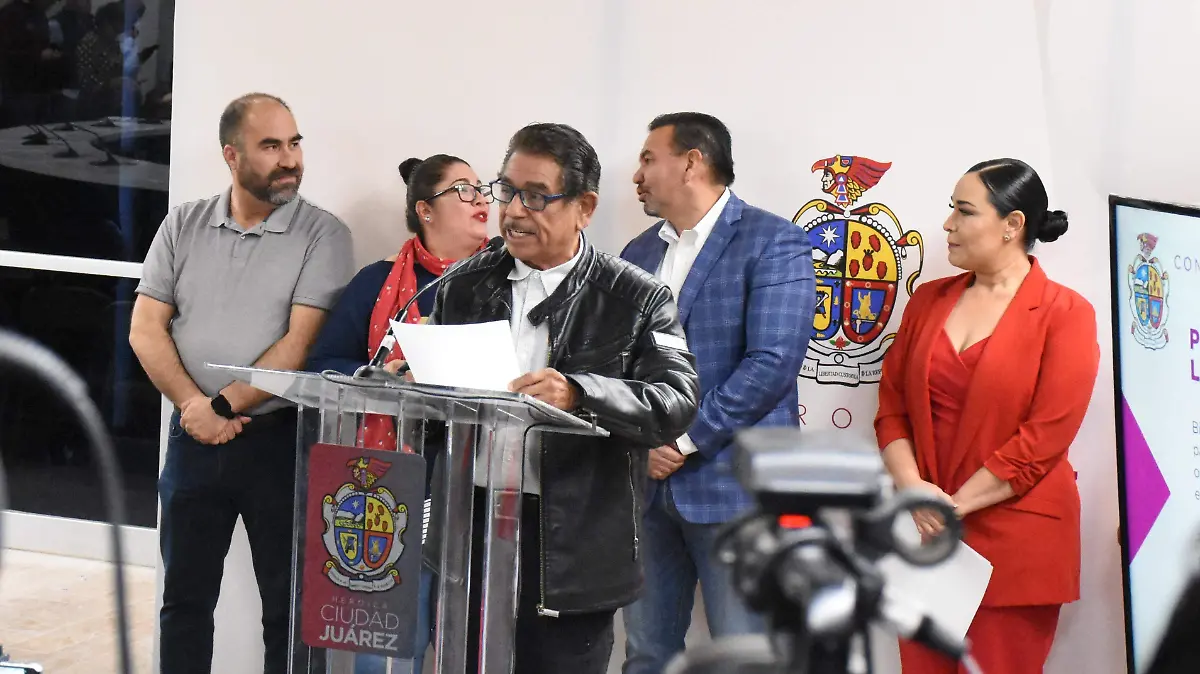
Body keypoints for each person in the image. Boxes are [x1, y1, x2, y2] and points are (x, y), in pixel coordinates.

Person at [426, 121, 700, 674]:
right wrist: (414, 382)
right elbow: (440, 410)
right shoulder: (461, 286)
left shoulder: (636, 297)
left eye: (535, 196)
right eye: (507, 191)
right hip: (471, 530)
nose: (513, 212)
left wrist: (581, 393)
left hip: (572, 548)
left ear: (585, 207)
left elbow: (676, 400)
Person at [129, 92, 354, 674]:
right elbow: (145, 329)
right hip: (192, 438)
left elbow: (299, 345)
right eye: (271, 145)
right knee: (183, 603)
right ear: (232, 155)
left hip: (278, 442)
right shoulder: (183, 223)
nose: (290, 158)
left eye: (294, 142)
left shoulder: (323, 234)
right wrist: (194, 407)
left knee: (288, 609)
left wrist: (222, 406)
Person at [874, 158, 1099, 674]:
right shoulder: (928, 300)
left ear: (1012, 225)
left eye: (964, 211)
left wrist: (953, 506)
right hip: (930, 539)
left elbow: (1044, 440)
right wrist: (914, 489)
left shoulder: (1067, 314)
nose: (948, 224)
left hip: (1016, 547)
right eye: (951, 209)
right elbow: (892, 410)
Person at [618, 112, 817, 673]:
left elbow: (772, 363)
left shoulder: (774, 240)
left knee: (745, 657)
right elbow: (618, 364)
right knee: (646, 653)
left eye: (648, 159)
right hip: (645, 491)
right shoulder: (637, 253)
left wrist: (680, 442)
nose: (637, 175)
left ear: (692, 162)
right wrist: (639, 441)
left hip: (738, 492)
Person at [305, 153, 492, 673]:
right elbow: (325, 363)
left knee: (470, 639)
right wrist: (384, 376)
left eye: (483, 188)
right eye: (464, 189)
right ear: (425, 210)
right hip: (394, 484)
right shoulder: (378, 281)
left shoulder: (508, 281)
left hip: (480, 482)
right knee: (388, 647)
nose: (481, 199)